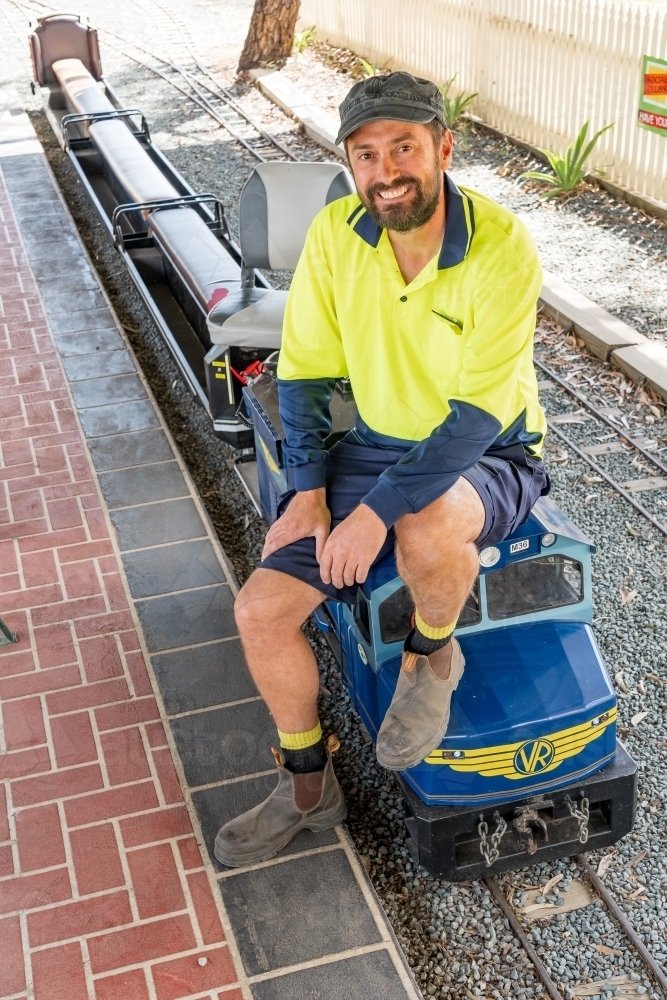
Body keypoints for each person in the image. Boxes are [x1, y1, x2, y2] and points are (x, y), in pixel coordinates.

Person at [215, 72, 549, 867]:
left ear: (442, 147)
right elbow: (300, 373)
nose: (386, 169)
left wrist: (370, 514)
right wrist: (307, 495)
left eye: (404, 146)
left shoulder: (501, 245)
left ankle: (432, 651)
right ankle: (308, 785)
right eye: (366, 154)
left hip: (487, 447)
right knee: (260, 612)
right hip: (375, 443)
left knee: (427, 525)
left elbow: (472, 417)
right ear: (351, 164)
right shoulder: (337, 234)